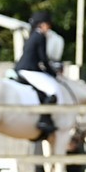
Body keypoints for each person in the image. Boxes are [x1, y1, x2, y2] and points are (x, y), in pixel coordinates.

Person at [14, 10, 60, 139]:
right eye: (48, 25)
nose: (49, 28)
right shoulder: (40, 36)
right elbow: (43, 59)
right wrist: (52, 73)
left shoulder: (32, 35)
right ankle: (44, 120)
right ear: (42, 24)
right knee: (52, 91)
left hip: (23, 68)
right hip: (29, 70)